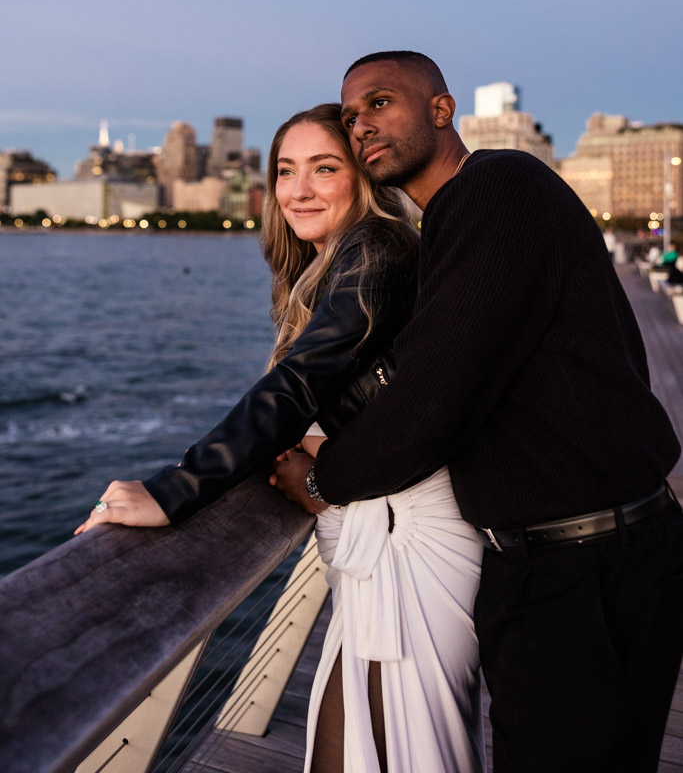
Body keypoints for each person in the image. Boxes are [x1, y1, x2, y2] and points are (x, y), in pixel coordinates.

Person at [271, 51, 683, 773]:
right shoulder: (474, 215)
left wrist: (319, 479)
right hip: (598, 553)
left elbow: (430, 400)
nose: (361, 124)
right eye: (350, 114)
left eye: (380, 103)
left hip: (581, 572)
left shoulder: (493, 188)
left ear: (441, 109)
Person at [75, 103, 485, 773]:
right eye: (285, 170)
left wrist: (173, 489)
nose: (298, 189)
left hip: (408, 537)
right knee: (356, 744)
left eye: (324, 168)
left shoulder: (377, 249)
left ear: (361, 177)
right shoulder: (327, 266)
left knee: (398, 748)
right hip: (375, 529)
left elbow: (297, 387)